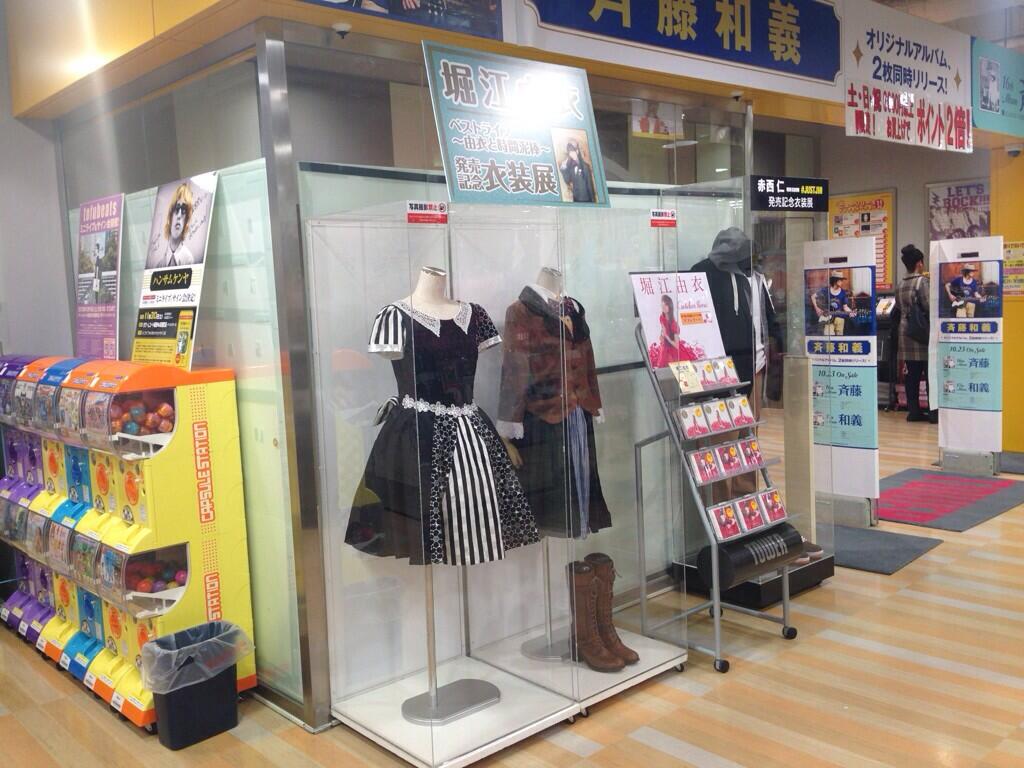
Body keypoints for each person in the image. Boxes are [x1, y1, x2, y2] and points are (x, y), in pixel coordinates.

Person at [897, 244, 936, 423]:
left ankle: (913, 412)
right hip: (922, 334)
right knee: (929, 374)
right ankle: (933, 413)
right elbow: (929, 306)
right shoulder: (922, 282)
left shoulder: (900, 284)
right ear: (919, 263)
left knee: (911, 375)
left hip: (906, 333)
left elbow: (899, 308)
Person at [153, 183, 197, 268]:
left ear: (186, 220)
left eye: (184, 210)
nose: (179, 215)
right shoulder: (159, 265)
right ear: (170, 216)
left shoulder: (189, 261)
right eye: (176, 208)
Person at [559, 139, 596, 203]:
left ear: (577, 151)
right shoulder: (570, 166)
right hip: (576, 198)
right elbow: (567, 180)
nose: (571, 154)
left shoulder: (585, 166)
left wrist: (593, 200)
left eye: (573, 151)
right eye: (570, 152)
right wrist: (564, 168)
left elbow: (589, 184)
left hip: (586, 199)